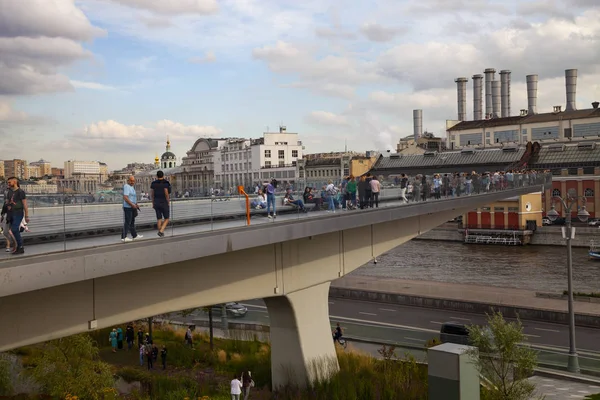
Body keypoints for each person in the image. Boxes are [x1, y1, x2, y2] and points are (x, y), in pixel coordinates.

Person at [5, 177, 29, 254]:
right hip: (11, 213)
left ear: (14, 182)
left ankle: (20, 247)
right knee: (12, 230)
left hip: (18, 213)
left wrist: (26, 216)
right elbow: (7, 202)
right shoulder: (9, 192)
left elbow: (25, 204)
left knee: (14, 229)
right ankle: (18, 246)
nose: (8, 184)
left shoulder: (20, 192)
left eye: (9, 182)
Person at [150, 170, 171, 237]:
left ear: (157, 176)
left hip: (156, 202)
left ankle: (160, 233)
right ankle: (161, 231)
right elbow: (166, 193)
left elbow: (152, 194)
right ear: (163, 175)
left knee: (159, 218)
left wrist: (153, 202)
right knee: (167, 218)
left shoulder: (153, 183)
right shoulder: (166, 183)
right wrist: (168, 201)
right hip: (163, 202)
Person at [122, 175, 142, 243]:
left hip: (132, 206)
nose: (132, 182)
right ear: (128, 181)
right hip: (128, 207)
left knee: (132, 222)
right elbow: (125, 197)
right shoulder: (126, 186)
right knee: (128, 222)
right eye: (131, 181)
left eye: (133, 181)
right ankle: (124, 237)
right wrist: (132, 204)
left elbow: (132, 197)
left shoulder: (132, 187)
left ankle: (134, 236)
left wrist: (136, 204)